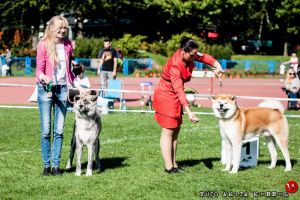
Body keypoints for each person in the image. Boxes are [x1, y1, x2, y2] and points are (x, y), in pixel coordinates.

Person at [153, 36, 223, 174]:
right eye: (192, 55)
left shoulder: (190, 54)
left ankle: (174, 164)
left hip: (175, 94)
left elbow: (204, 58)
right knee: (168, 131)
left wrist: (217, 65)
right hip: (166, 95)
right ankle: (169, 167)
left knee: (175, 131)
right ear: (183, 51)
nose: (194, 57)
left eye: (195, 55)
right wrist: (189, 111)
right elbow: (179, 91)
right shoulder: (175, 66)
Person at [36, 15, 85, 176]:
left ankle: (56, 166)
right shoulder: (43, 45)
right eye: (60, 27)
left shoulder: (68, 45)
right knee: (45, 130)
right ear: (51, 28)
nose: (63, 30)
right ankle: (46, 166)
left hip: (63, 89)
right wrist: (44, 78)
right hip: (46, 89)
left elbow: (70, 70)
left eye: (65, 28)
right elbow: (39, 71)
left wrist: (78, 86)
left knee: (59, 130)